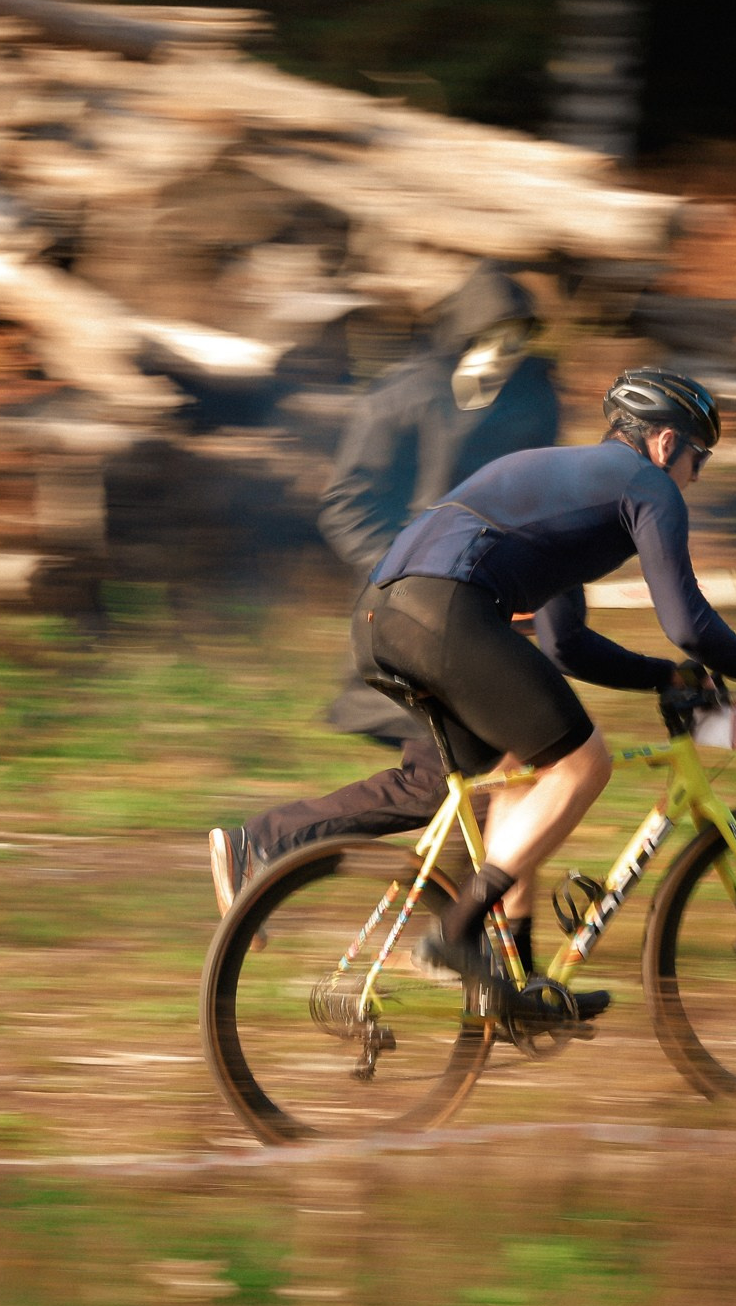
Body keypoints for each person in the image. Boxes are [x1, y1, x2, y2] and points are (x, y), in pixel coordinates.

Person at [342, 367, 736, 1022]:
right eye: (698, 455)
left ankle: (515, 980)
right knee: (585, 761)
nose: (697, 473)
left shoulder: (572, 494)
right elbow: (688, 622)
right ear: (663, 443)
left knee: (523, 769)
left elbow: (567, 646)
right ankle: (454, 935)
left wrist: (667, 676)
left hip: (381, 618)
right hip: (446, 610)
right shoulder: (647, 488)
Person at [208, 263, 558, 911]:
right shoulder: (402, 400)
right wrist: (415, 568)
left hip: (485, 619)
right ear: (464, 335)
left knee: (503, 776)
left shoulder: (529, 404)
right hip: (409, 620)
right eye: (495, 339)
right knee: (442, 782)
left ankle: (472, 952)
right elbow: (346, 504)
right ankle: (264, 841)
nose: (508, 355)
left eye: (519, 341)